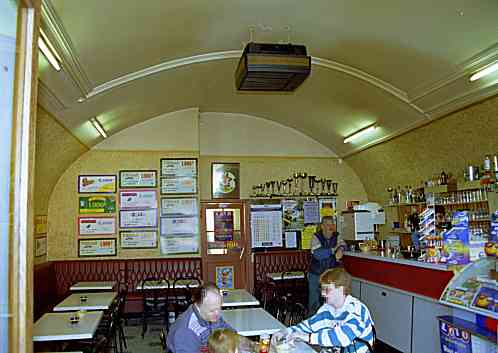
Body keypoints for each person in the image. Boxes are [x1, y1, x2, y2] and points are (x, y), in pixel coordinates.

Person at [272, 268, 374, 353]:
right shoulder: (327, 308)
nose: (322, 294)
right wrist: (285, 332)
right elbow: (309, 325)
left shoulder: (356, 309)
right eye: (322, 289)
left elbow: (343, 338)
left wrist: (307, 337)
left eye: (327, 290)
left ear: (341, 289)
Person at [166, 282, 234, 353]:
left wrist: (236, 339)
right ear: (198, 305)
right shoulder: (187, 330)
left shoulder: (213, 312)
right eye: (212, 311)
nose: (217, 313)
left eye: (219, 308)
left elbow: (225, 328)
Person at [308, 216, 346, 314]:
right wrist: (333, 250)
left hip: (331, 275)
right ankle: (313, 324)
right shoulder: (316, 236)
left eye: (332, 224)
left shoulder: (337, 235)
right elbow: (318, 254)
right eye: (328, 225)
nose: (331, 227)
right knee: (315, 302)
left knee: (331, 301)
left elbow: (343, 244)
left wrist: (341, 248)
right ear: (322, 226)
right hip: (316, 274)